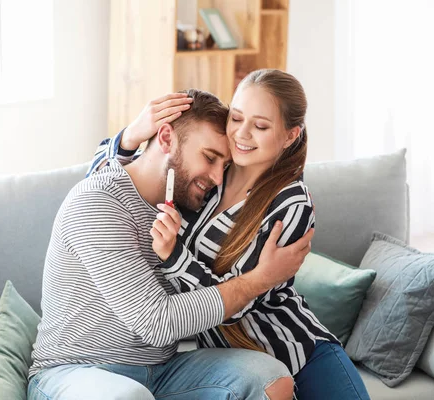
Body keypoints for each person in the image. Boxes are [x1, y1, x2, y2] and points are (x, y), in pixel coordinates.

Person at [91, 69, 370, 400]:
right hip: (238, 369)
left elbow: (238, 303)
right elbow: (100, 187)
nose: (242, 133)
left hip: (301, 357)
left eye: (261, 126)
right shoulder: (209, 176)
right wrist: (130, 136)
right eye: (236, 118)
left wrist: (174, 257)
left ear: (290, 135)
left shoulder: (291, 203)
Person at [29, 89, 315, 400]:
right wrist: (259, 280)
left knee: (270, 378)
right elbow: (158, 323)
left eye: (225, 164)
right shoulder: (97, 203)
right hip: (77, 372)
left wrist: (125, 143)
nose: (219, 178)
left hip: (161, 370)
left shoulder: (184, 204)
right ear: (165, 138)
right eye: (209, 157)